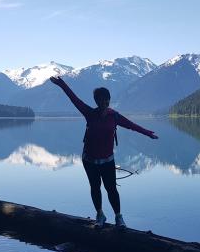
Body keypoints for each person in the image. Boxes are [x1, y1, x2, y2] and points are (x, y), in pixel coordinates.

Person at [49, 76, 158, 228]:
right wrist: (61, 84)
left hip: (107, 160)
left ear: (109, 100)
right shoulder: (89, 113)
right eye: (101, 100)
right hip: (89, 160)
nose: (104, 103)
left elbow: (131, 125)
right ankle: (100, 215)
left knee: (111, 189)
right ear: (96, 101)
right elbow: (74, 99)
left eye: (107, 100)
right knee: (95, 188)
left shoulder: (114, 116)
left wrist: (147, 133)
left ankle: (119, 218)